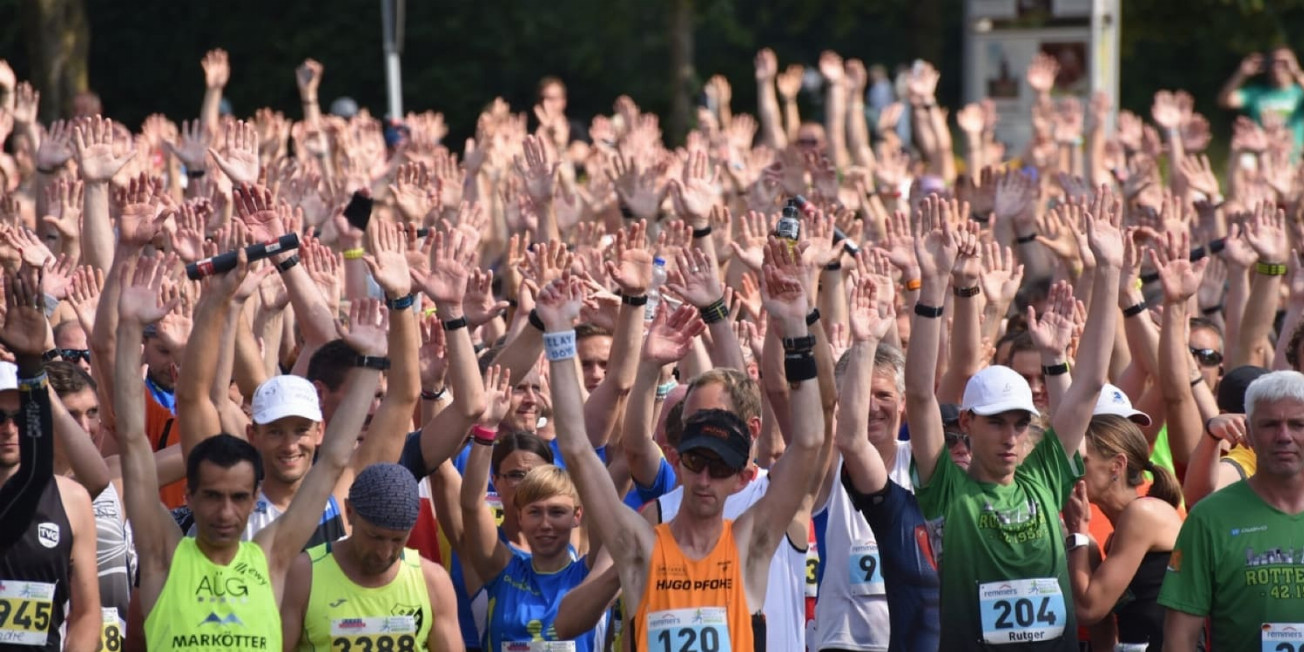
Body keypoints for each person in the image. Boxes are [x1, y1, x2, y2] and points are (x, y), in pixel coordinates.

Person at [541, 234, 824, 651]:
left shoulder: (750, 543)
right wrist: (558, 334)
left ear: (742, 478)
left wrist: (798, 326)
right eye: (695, 462)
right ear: (676, 459)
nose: (705, 479)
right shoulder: (640, 544)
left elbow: (810, 441)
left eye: (720, 467)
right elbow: (578, 450)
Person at [114, 253, 383, 651]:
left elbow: (332, 461)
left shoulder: (270, 557)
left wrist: (371, 363)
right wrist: (129, 328)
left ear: (254, 498)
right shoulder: (163, 557)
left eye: (239, 497)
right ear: (189, 497)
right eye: (212, 496)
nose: (225, 513)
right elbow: (133, 439)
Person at [906, 193, 1123, 650]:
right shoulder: (947, 488)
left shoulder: (1043, 477)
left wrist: (1108, 272)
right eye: (996, 423)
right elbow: (920, 395)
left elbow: (1089, 384)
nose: (1010, 437)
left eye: (1020, 423)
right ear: (966, 421)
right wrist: (932, 284)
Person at [831, 277, 950, 652]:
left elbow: (933, 386)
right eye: (861, 395)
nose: (871, 406)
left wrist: (931, 287)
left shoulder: (923, 461)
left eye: (883, 395)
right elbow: (848, 438)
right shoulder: (826, 464)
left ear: (901, 405)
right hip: (844, 643)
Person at [1159, 370, 1304, 650]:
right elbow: (1180, 639)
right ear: (1247, 432)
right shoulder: (1209, 518)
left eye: (1298, 424)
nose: (1284, 436)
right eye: (1270, 424)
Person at [0, 267, 102, 652]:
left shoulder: (71, 499)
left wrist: (32, 368)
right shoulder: (29, 486)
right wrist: (28, 364)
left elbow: (87, 611)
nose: (9, 429)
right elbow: (34, 475)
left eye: (17, 418)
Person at [280, 463, 462, 652]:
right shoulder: (303, 576)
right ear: (349, 512)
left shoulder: (433, 582)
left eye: (398, 540)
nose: (384, 552)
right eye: (375, 537)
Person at [1063, 413, 1183, 651]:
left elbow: (1088, 608)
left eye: (1082, 461)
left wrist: (1077, 533)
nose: (1072, 473)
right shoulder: (1118, 534)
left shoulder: (1143, 513)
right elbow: (1104, 621)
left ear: (1116, 466)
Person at [1218, 47, 1304, 153]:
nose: (1278, 67)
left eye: (1284, 63)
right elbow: (1225, 100)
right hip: (1260, 159)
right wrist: (1242, 73)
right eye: (1274, 62)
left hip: (1291, 160)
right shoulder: (1256, 93)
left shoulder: (1299, 93)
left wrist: (1296, 72)